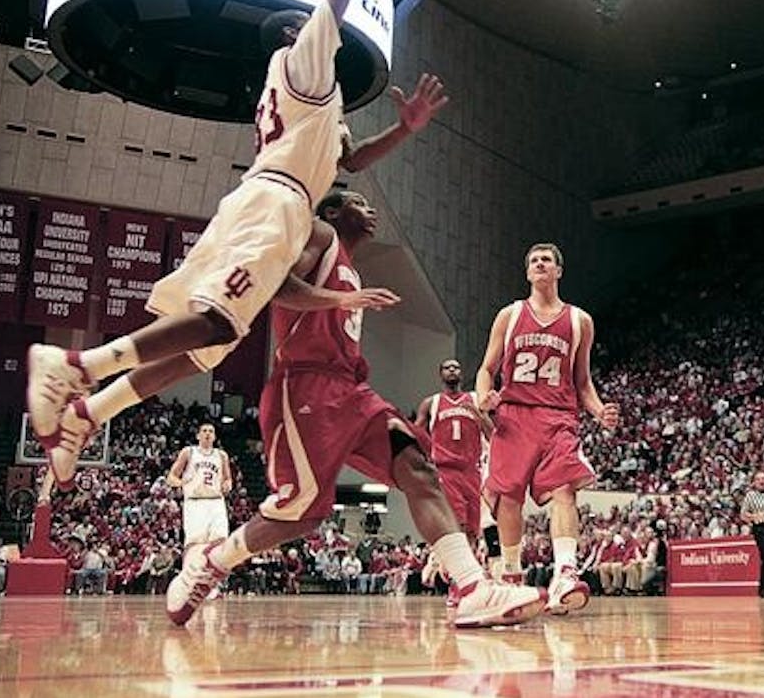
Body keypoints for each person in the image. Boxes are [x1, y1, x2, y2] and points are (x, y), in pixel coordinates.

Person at [23, 0, 449, 486]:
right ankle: (74, 366)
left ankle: (89, 411)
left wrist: (405, 129)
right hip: (273, 204)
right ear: (291, 32)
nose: (321, 25)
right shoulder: (301, 60)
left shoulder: (317, 106)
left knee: (200, 348)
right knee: (220, 324)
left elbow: (351, 161)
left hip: (266, 199)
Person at [163, 192, 543, 628]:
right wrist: (338, 300)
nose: (371, 209)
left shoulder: (350, 266)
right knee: (301, 514)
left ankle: (472, 587)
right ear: (331, 212)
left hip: (353, 392)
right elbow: (275, 284)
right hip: (305, 386)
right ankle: (213, 561)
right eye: (358, 202)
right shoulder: (320, 235)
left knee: (417, 468)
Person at [475, 243, 620, 615]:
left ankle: (565, 574)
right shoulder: (509, 315)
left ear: (558, 271)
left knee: (565, 490)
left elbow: (583, 381)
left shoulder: (579, 321)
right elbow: (487, 369)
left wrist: (599, 410)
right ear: (528, 273)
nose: (540, 264)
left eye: (547, 260)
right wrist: (483, 398)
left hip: (559, 417)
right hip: (514, 415)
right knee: (509, 497)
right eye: (534, 261)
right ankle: (511, 577)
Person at [414, 358, 492, 604]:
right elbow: (417, 435)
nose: (452, 370)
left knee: (471, 530)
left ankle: (461, 578)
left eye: (457, 367)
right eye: (447, 367)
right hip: (445, 470)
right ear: (440, 374)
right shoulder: (432, 403)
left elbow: (492, 434)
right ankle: (458, 585)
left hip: (472, 471)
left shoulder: (474, 400)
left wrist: (479, 416)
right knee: (456, 526)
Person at [166, 424, 232, 553]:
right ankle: (192, 571)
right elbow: (171, 478)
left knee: (220, 541)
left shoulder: (221, 455)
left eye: (211, 431)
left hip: (216, 501)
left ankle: (212, 572)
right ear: (198, 436)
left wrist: (228, 484)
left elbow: (228, 479)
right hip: (195, 502)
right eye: (204, 431)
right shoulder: (189, 452)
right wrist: (181, 483)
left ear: (214, 436)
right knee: (195, 544)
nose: (207, 433)